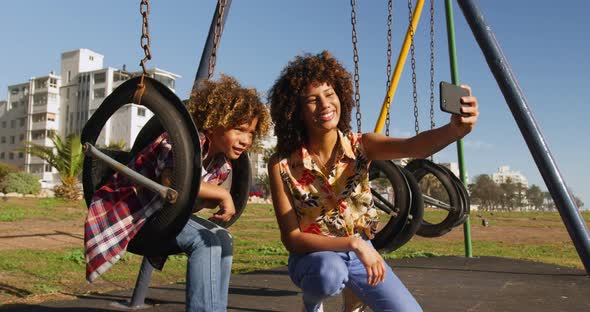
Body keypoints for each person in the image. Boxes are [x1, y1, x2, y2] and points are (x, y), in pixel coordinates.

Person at [267, 51, 479, 312]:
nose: (324, 104)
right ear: (296, 111)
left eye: (329, 94)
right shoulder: (282, 164)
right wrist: (353, 243)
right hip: (313, 257)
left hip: (358, 251)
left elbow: (415, 146)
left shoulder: (362, 146)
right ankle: (312, 301)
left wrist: (455, 131)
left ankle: (355, 293)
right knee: (328, 273)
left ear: (340, 96)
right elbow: (292, 239)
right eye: (312, 99)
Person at [84, 74, 270, 312]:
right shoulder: (177, 142)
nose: (246, 139)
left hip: (162, 213)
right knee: (205, 241)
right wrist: (222, 195)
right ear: (214, 122)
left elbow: (188, 202)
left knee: (223, 238)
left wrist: (208, 199)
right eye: (239, 129)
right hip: (132, 210)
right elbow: (173, 183)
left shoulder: (221, 165)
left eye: (252, 133)